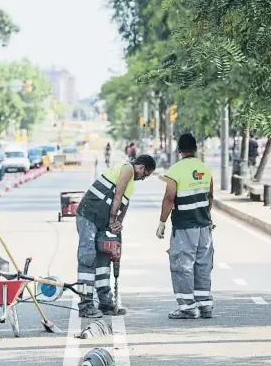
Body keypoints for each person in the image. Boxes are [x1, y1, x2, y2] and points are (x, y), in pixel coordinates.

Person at [76, 154, 157, 318]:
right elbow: (117, 195)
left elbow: (124, 204)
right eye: (145, 174)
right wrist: (113, 219)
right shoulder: (127, 169)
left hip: (102, 221)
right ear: (141, 167)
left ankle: (105, 303)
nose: (143, 178)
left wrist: (118, 222)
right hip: (89, 215)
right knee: (88, 257)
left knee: (104, 259)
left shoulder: (131, 184)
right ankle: (85, 305)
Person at [156, 133, 214, 319]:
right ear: (196, 149)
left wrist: (162, 222)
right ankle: (205, 306)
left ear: (179, 150)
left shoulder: (175, 170)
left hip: (184, 226)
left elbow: (169, 198)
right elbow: (210, 196)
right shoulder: (205, 169)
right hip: (204, 226)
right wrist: (207, 217)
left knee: (183, 266)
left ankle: (188, 307)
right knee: (203, 265)